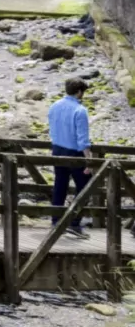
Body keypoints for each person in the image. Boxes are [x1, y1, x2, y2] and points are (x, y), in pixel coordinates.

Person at [48, 78, 94, 236]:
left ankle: (56, 221)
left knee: (60, 185)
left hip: (57, 149)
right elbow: (83, 139)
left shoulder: (54, 106)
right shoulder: (80, 110)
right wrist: (89, 160)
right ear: (79, 92)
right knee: (85, 187)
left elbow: (52, 129)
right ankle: (74, 222)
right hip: (74, 153)